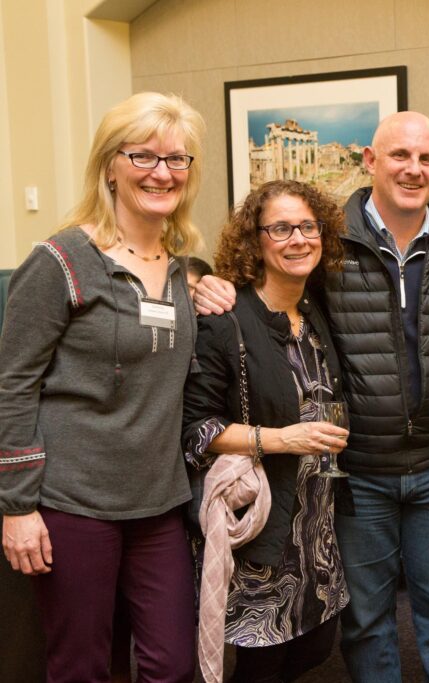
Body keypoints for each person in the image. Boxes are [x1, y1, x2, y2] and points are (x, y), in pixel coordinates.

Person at [194, 111, 429, 682]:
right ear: (371, 161)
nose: (413, 169)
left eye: (425, 158)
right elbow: (267, 286)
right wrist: (201, 282)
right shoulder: (331, 244)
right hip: (359, 474)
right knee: (365, 621)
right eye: (399, 156)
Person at [0, 91, 203, 682]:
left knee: (173, 663)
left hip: (158, 502)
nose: (161, 173)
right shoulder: (61, 260)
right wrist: (17, 507)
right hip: (73, 501)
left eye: (177, 160)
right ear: (110, 163)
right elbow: (13, 386)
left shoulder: (181, 263)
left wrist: (205, 284)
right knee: (83, 667)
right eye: (143, 156)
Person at [182, 179, 349, 682]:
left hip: (317, 525)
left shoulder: (316, 310)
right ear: (255, 241)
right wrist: (280, 439)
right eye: (280, 228)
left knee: (314, 648)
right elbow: (196, 430)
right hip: (263, 524)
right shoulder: (226, 320)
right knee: (262, 663)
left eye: (307, 226)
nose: (298, 239)